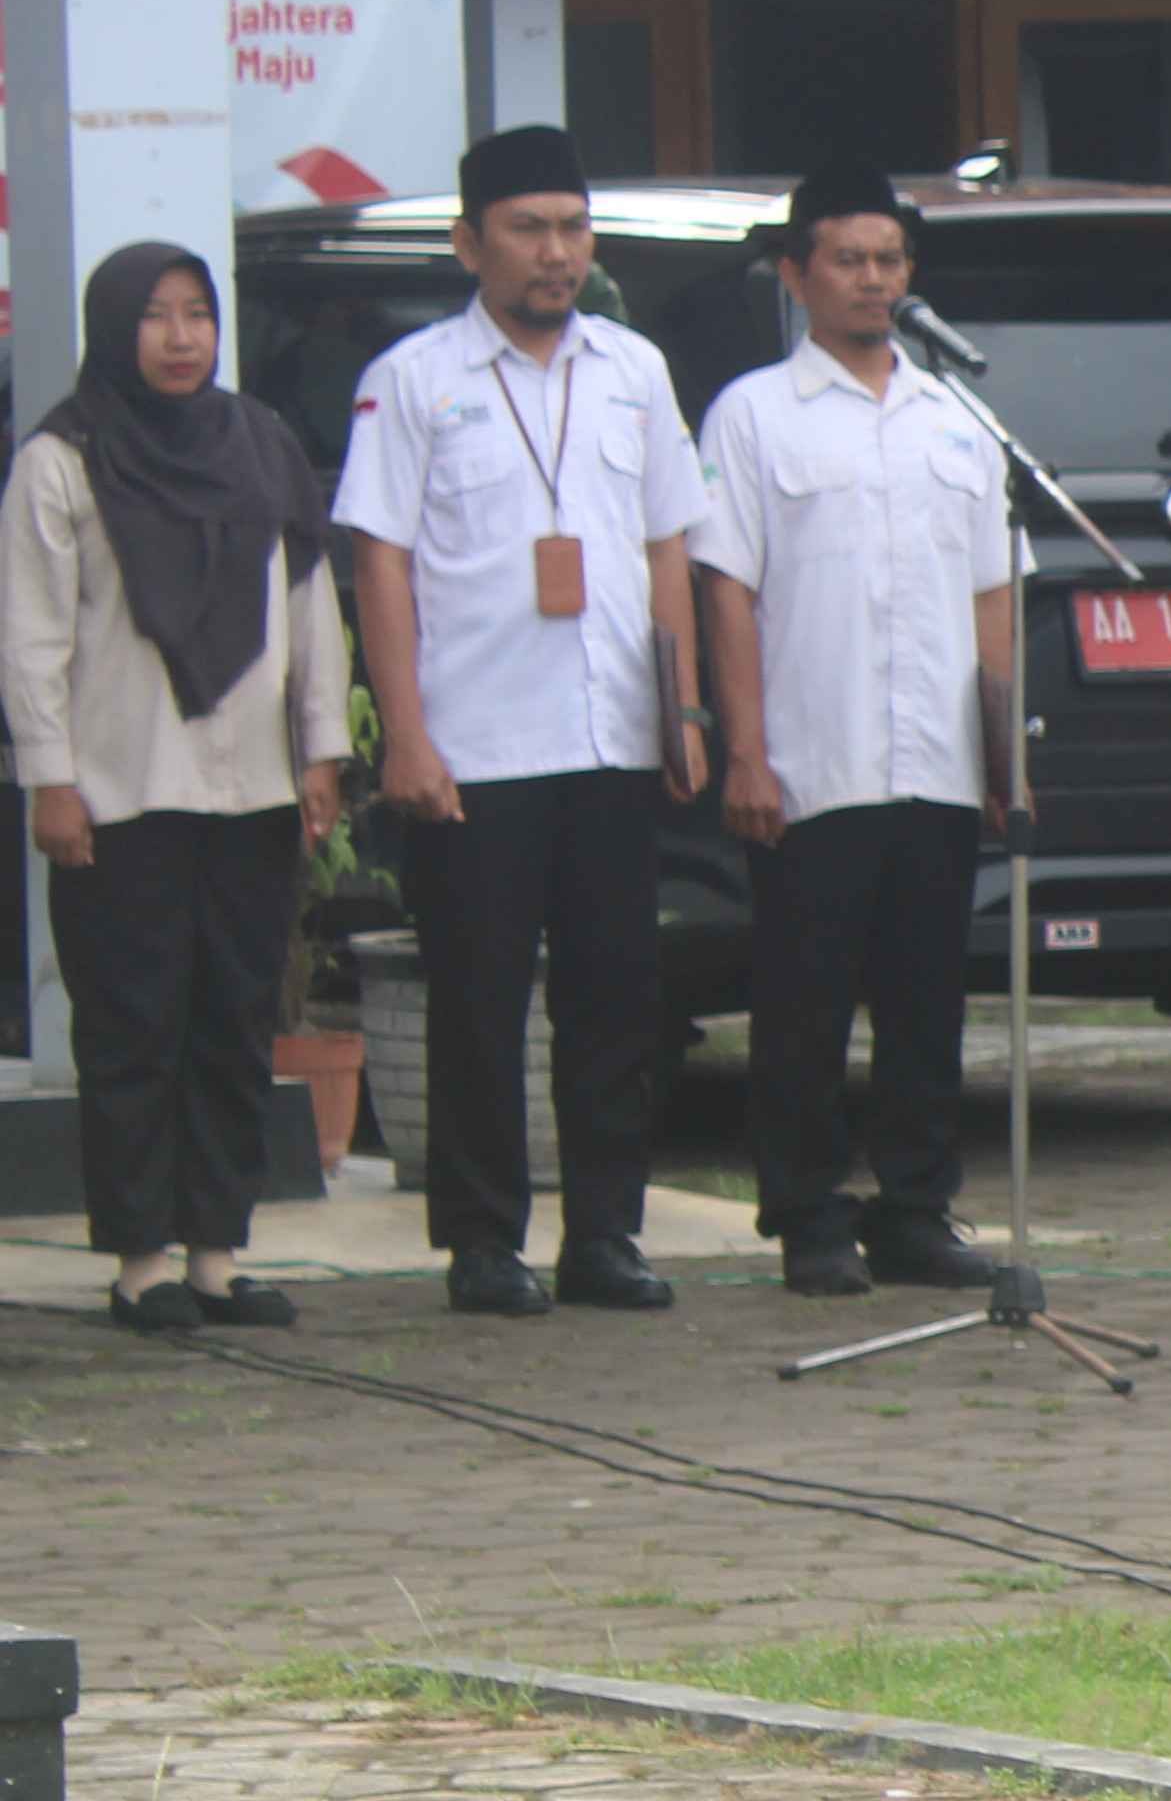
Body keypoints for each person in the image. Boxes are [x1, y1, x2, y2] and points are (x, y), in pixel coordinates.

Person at [328, 122, 715, 1317]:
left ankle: (605, 1234)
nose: (556, 254)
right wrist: (407, 732)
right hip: (476, 746)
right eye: (527, 230)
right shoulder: (413, 380)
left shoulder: (632, 370)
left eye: (572, 228)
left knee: (616, 997)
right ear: (467, 243)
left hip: (609, 734)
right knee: (479, 999)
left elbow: (666, 548)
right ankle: (483, 1240)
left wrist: (684, 708)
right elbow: (380, 564)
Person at [4, 238, 350, 1332]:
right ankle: (141, 1263)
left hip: (248, 788)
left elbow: (309, 605)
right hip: (119, 792)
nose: (181, 336)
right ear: (117, 328)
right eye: (155, 315)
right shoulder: (63, 458)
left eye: (197, 313)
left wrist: (323, 748)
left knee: (232, 1021)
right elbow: (32, 636)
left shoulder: (259, 444)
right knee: (134, 1026)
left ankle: (214, 1252)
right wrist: (48, 780)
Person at [689, 162, 1012, 1303]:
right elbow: (726, 587)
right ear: (796, 275)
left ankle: (916, 1209)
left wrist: (1004, 754)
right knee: (803, 1004)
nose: (873, 281)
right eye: (848, 260)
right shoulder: (753, 414)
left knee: (926, 999)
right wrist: (745, 751)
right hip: (811, 763)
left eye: (890, 262)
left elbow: (990, 594)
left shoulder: (956, 419)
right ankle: (810, 1216)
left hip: (936, 758)